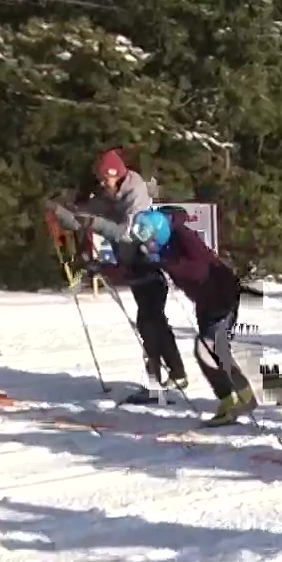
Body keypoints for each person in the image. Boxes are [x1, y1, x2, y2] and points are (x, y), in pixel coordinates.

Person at [57, 148, 186, 399]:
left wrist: (94, 223)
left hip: (150, 261)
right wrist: (60, 211)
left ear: (117, 174)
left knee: (149, 322)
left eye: (106, 178)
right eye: (101, 179)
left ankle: (158, 383)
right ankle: (174, 374)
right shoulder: (108, 195)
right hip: (131, 264)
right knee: (153, 321)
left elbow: (128, 232)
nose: (103, 183)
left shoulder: (135, 193)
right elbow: (82, 217)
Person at [116, 207, 253, 426]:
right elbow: (132, 271)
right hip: (205, 302)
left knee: (206, 349)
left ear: (159, 233)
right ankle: (243, 397)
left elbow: (197, 270)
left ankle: (231, 402)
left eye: (150, 241)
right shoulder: (162, 247)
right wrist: (102, 269)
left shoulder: (184, 237)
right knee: (216, 351)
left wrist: (164, 261)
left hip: (222, 296)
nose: (147, 246)